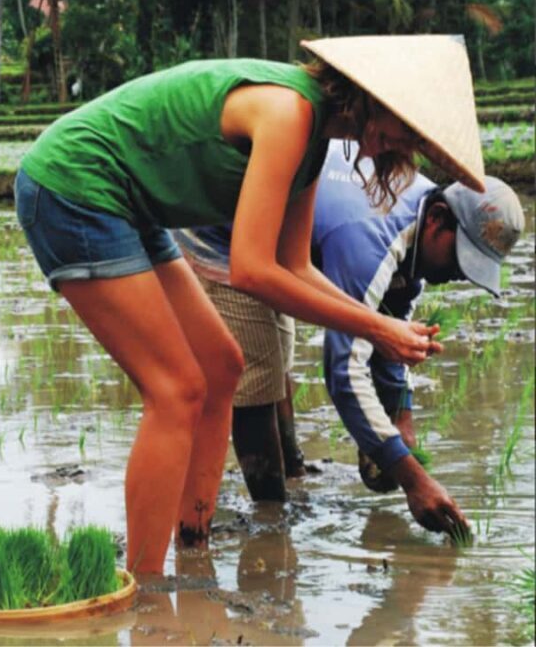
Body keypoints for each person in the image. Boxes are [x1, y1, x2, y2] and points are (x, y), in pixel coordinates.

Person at [14, 35, 484, 574]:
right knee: (175, 389)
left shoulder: (314, 142)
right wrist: (377, 331)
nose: (398, 147)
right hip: (77, 185)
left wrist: (377, 324)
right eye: (402, 129)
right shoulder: (291, 112)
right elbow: (252, 270)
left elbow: (296, 265)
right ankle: (143, 590)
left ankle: (194, 547)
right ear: (371, 98)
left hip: (132, 205)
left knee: (222, 366)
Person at [175, 140, 524, 534]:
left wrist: (401, 415)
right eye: (461, 257)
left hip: (280, 239)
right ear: (438, 219)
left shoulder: (416, 231)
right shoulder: (371, 239)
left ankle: (292, 475)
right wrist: (413, 480)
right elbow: (343, 372)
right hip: (222, 231)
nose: (462, 273)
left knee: (278, 356)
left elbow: (389, 324)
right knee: (257, 373)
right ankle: (271, 521)